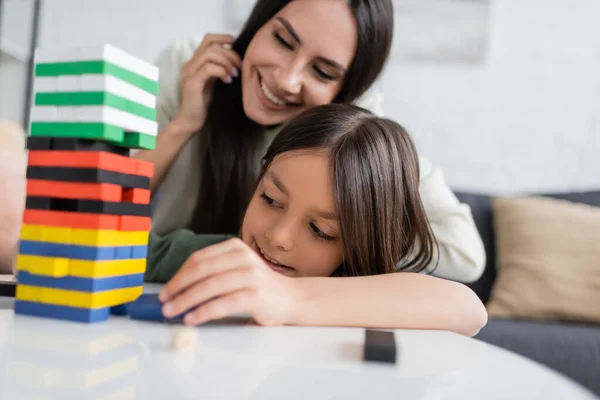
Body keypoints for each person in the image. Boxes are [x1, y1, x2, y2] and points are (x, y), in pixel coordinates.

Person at [134, 0, 486, 283]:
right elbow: (98, 206)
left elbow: (465, 254)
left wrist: (359, 225)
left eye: (322, 72)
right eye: (283, 40)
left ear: (350, 90)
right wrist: (183, 124)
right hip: (162, 280)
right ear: (259, 22)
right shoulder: (191, 65)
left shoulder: (359, 126)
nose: (287, 79)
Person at [145, 104, 488, 336]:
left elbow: (470, 310)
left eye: (321, 231)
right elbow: (105, 245)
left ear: (359, 246)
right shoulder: (223, 262)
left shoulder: (372, 291)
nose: (279, 237)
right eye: (271, 199)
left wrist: (288, 297)